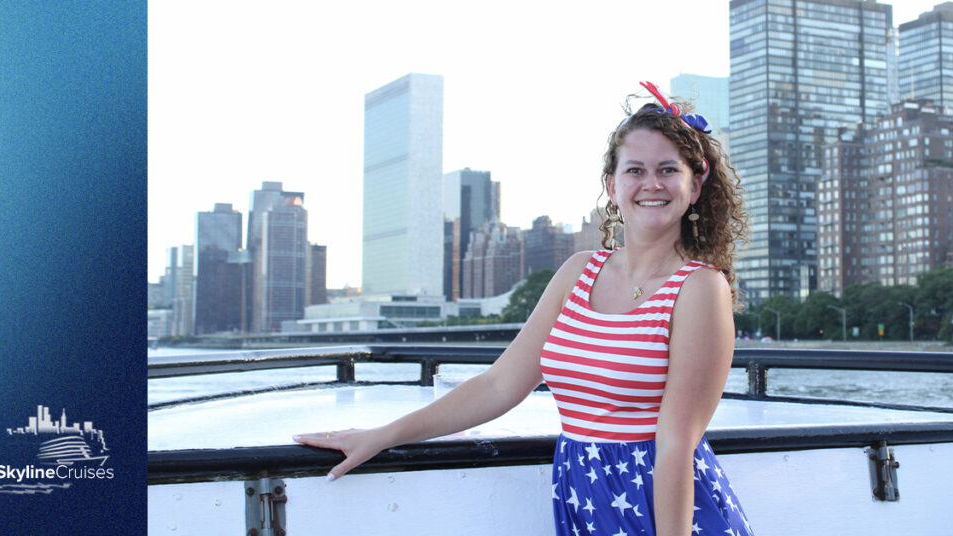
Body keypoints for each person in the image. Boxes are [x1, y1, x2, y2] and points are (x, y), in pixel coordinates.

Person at [294, 80, 752, 536]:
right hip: (586, 498)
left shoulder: (699, 289)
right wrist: (382, 435)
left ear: (695, 186)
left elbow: (676, 443)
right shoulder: (578, 272)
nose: (651, 184)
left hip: (662, 509)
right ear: (612, 186)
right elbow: (498, 385)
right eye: (635, 170)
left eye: (668, 170)